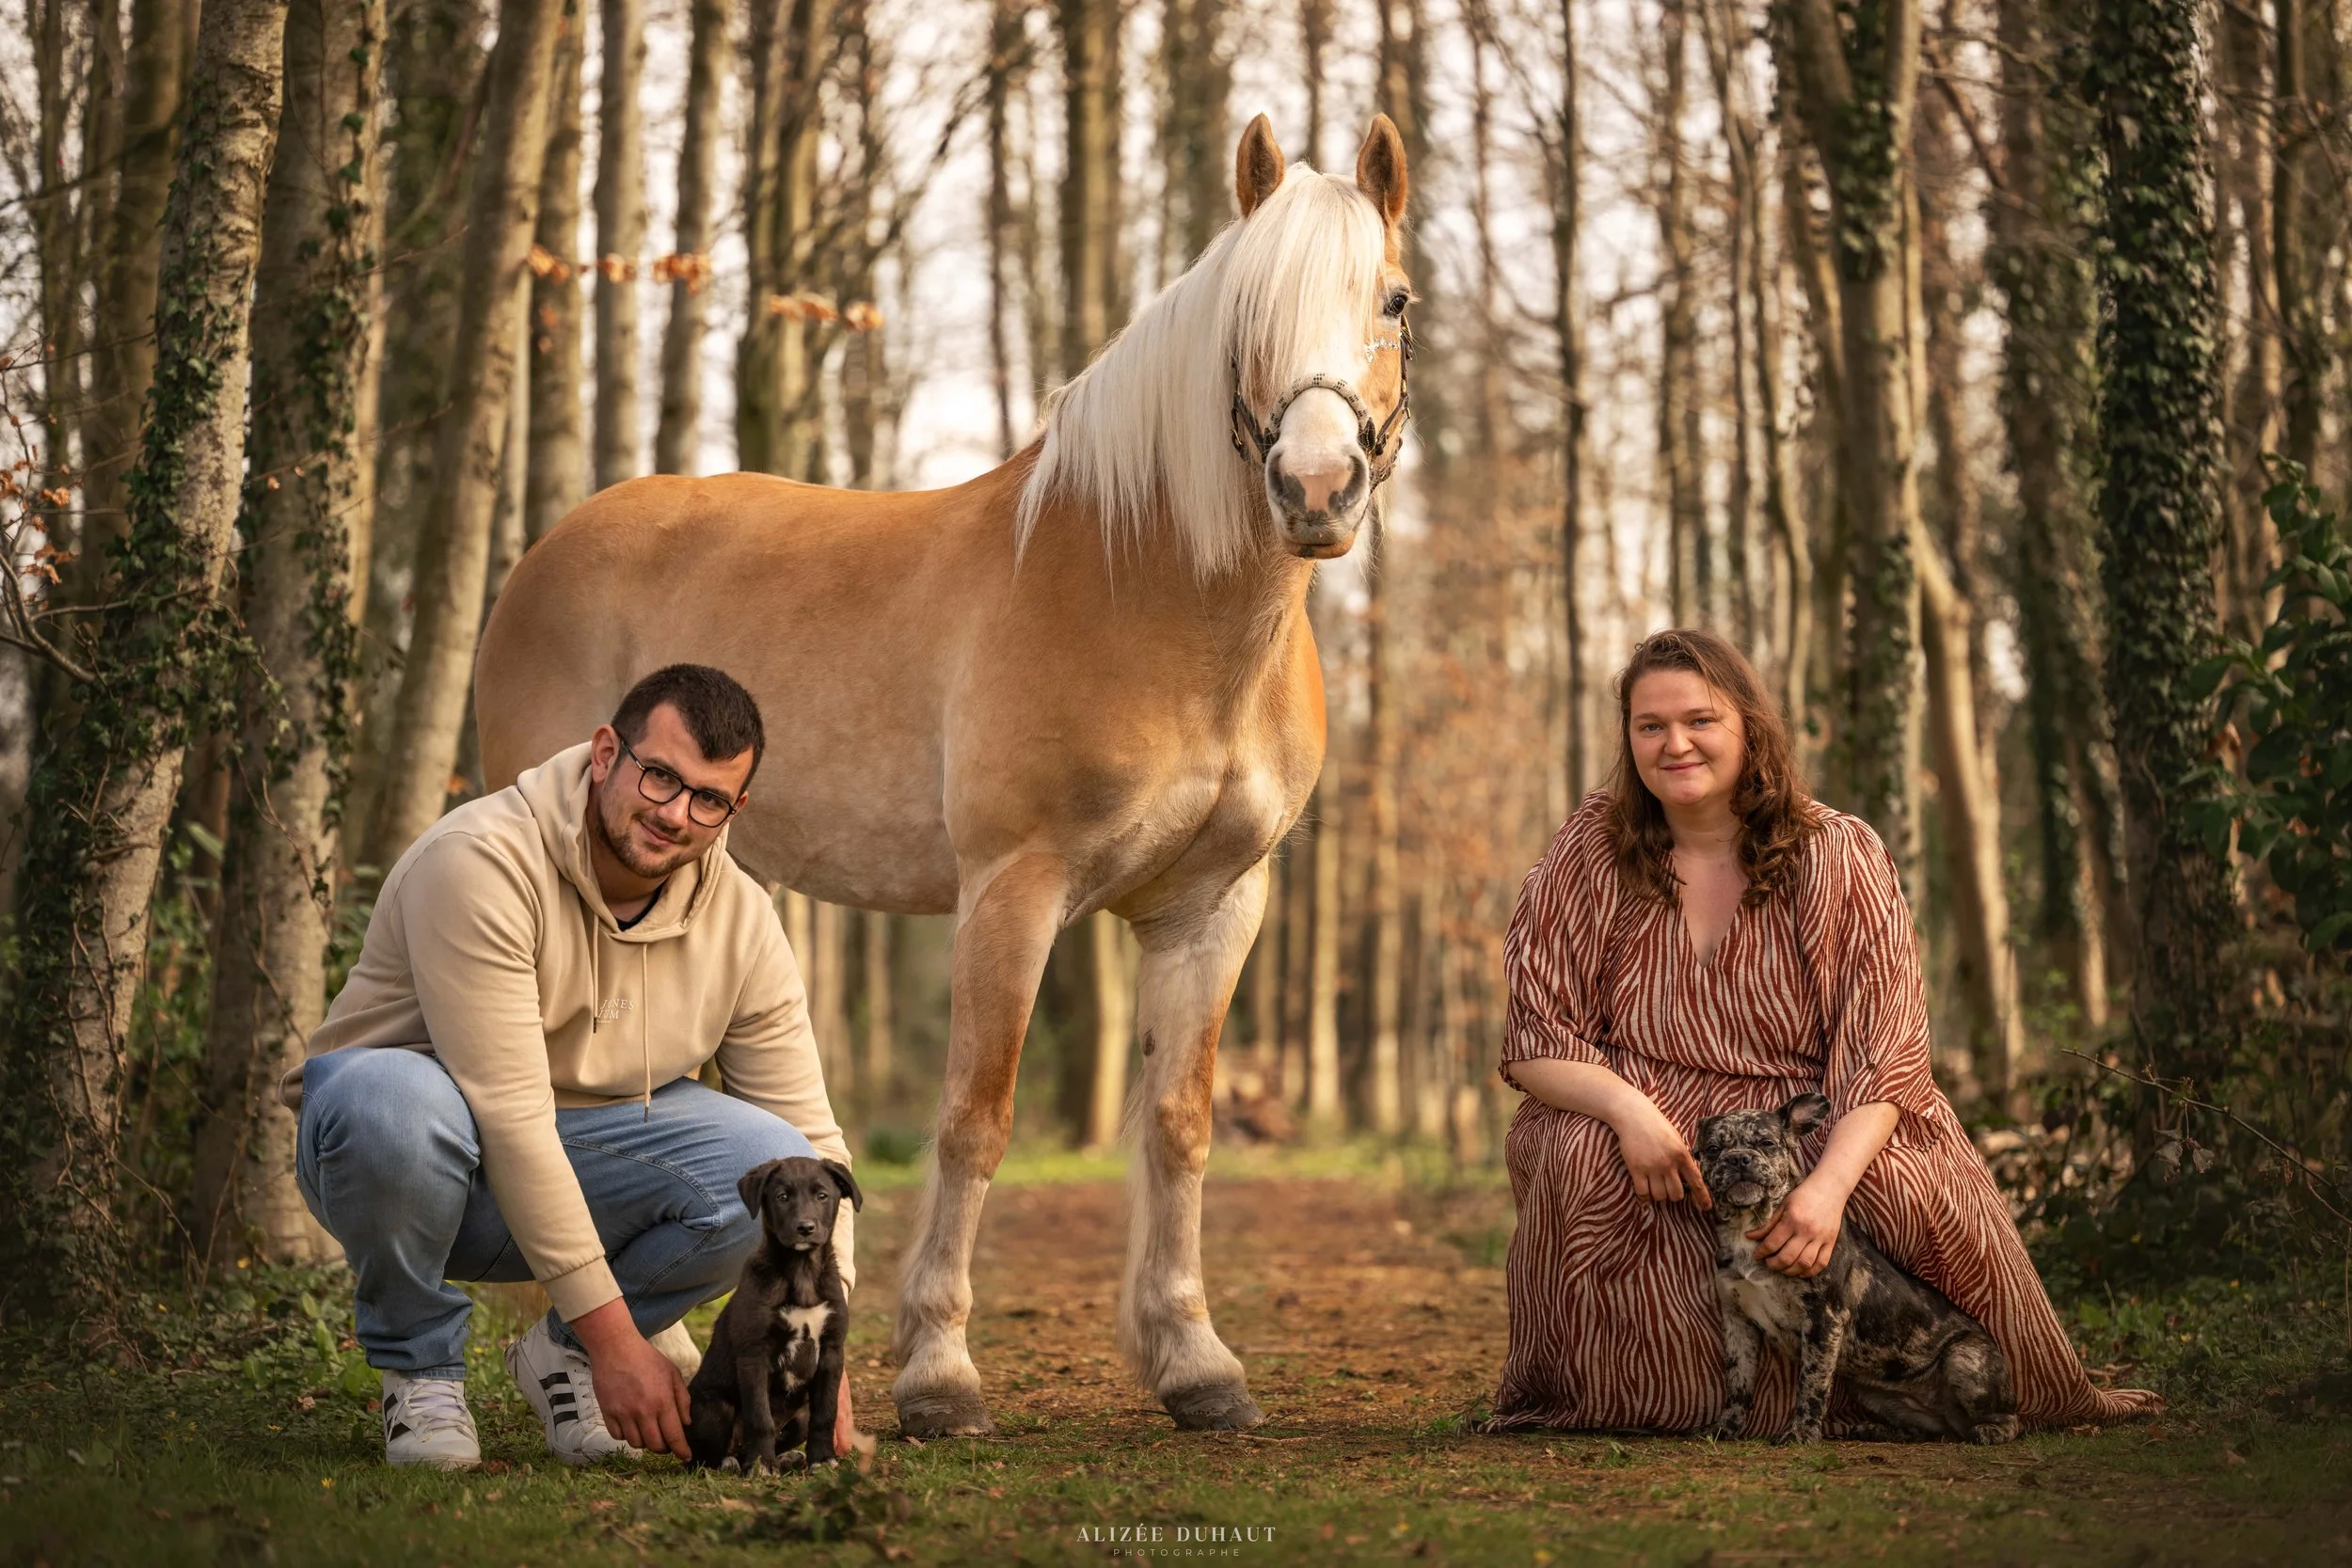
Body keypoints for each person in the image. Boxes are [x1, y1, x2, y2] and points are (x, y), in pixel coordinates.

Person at [1486, 629, 2158, 1433]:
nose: (1675, 744)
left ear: (1748, 727)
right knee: (1574, 1150)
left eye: (1701, 720)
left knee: (1894, 1177)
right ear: (1627, 737)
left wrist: (1827, 1186)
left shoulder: (1835, 851)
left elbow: (1886, 1053)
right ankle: (1641, 1393)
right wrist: (1629, 1112)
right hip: (1645, 1105)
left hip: (1809, 1109)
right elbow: (1536, 1036)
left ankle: (1967, 1387)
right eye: (1650, 725)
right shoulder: (1591, 850)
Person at [280, 664, 857, 1470]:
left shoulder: (743, 917)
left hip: (590, 1164)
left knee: (764, 1164)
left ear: (735, 809)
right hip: (416, 1160)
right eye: (659, 776)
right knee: (391, 1102)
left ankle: (563, 1355)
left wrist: (828, 1333)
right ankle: (420, 1370)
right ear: (604, 753)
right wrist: (621, 1338)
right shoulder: (480, 859)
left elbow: (812, 1135)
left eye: (708, 799)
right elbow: (512, 1117)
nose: (674, 814)